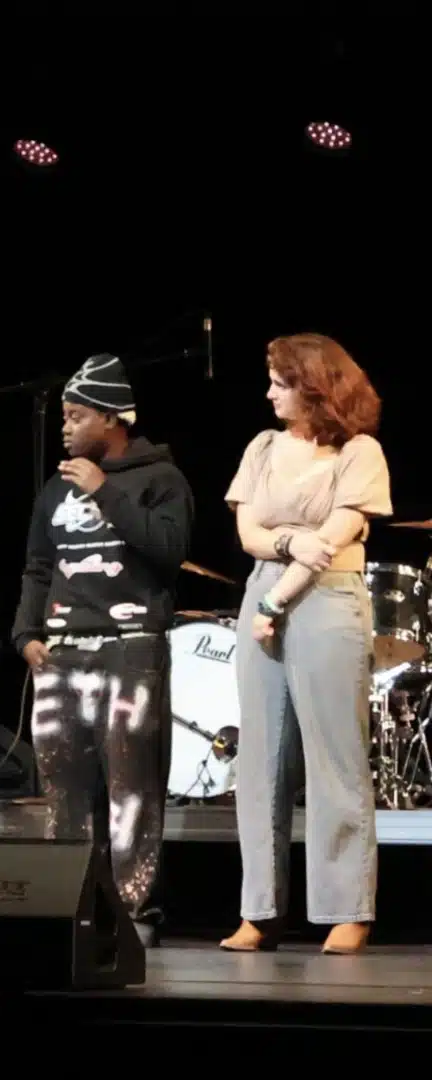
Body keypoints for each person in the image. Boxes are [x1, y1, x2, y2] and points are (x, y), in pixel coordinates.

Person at [10, 355, 193, 945]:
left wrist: (108, 494)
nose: (65, 427)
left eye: (76, 415)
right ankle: (71, 905)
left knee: (130, 785)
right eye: (63, 416)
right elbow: (39, 566)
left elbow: (168, 550)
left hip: (130, 646)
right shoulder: (55, 487)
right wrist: (26, 632)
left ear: (113, 418)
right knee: (63, 787)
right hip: (62, 649)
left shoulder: (160, 479)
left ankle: (131, 910)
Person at [220, 333, 388, 957]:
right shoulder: (263, 446)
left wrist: (275, 598)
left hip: (326, 597)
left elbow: (338, 535)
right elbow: (248, 531)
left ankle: (346, 908)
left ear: (314, 386)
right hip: (269, 587)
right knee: (260, 759)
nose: (268, 392)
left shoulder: (361, 452)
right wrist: (287, 550)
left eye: (279, 382)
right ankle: (259, 909)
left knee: (333, 756)